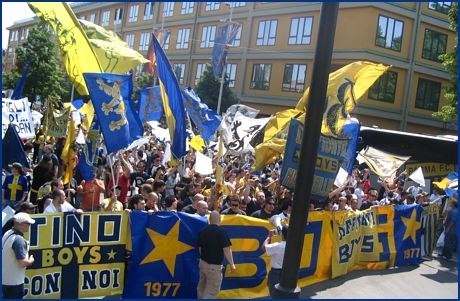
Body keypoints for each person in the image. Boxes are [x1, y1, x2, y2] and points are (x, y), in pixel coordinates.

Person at [197, 211, 236, 299]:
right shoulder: (221, 232)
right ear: (220, 219)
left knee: (201, 286)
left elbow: (200, 248)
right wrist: (232, 264)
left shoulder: (203, 231)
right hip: (214, 267)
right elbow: (226, 249)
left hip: (203, 263)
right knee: (211, 291)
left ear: (210, 219)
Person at [2, 213, 35, 299]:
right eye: (28, 224)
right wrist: (31, 260)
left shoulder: (8, 233)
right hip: (14, 283)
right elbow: (22, 263)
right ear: (22, 224)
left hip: (5, 279)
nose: (29, 226)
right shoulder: (18, 240)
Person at [262, 224, 289, 298]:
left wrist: (269, 236)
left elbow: (264, 247)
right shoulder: (292, 246)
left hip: (276, 273)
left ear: (282, 235)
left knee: (274, 294)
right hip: (288, 273)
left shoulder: (278, 246)